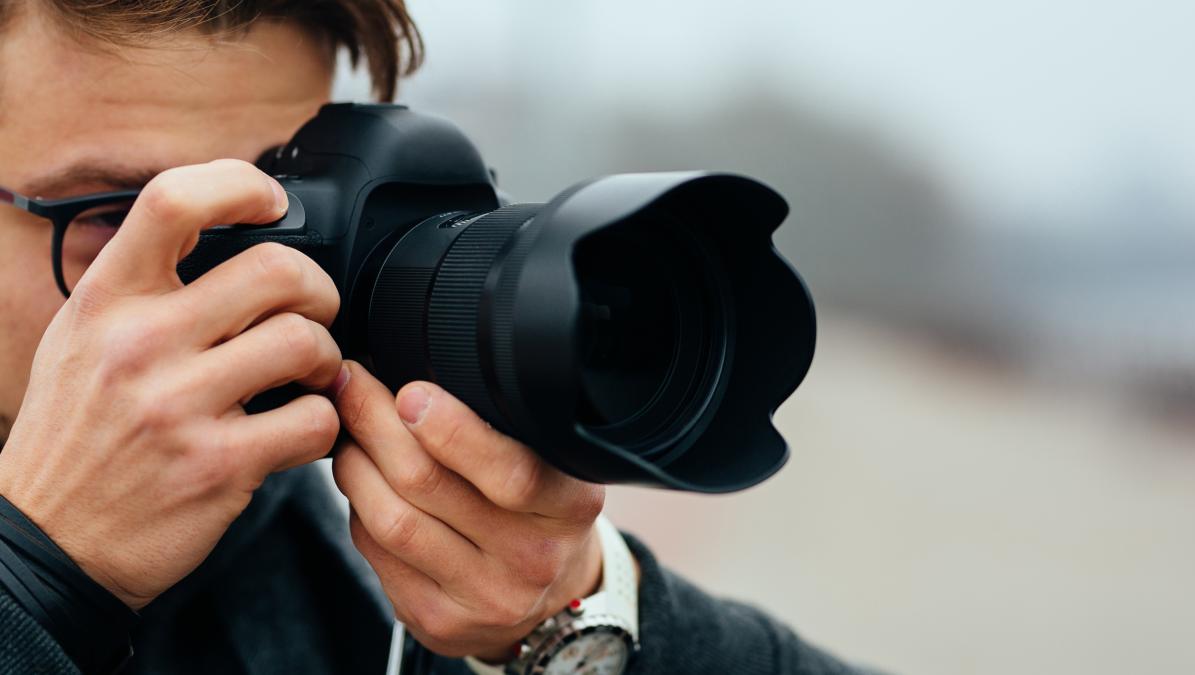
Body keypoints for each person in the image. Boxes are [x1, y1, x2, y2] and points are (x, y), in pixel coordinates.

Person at [0, 1, 880, 673]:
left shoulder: (334, 574)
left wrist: (566, 617)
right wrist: (37, 568)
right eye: (115, 218)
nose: (248, 286)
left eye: (283, 206)